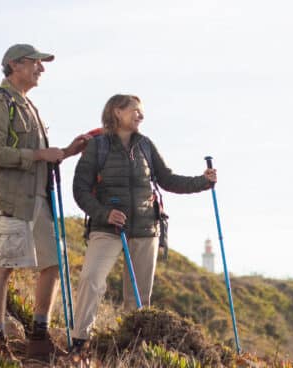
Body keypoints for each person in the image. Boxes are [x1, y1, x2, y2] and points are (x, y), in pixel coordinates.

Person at [70, 94, 217, 350]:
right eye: (135, 111)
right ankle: (80, 340)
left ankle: (132, 348)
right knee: (92, 280)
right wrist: (105, 214)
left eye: (141, 112)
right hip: (107, 229)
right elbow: (80, 190)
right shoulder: (98, 146)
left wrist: (202, 181)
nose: (141, 116)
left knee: (138, 298)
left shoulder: (146, 145)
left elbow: (167, 179)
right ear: (117, 111)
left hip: (146, 229)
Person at [0, 43, 90, 360]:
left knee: (53, 264)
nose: (41, 68)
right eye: (35, 63)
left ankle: (39, 339)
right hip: (13, 200)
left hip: (39, 200)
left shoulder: (28, 106)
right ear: (14, 65)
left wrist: (66, 152)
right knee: (4, 266)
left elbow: (39, 157)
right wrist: (41, 153)